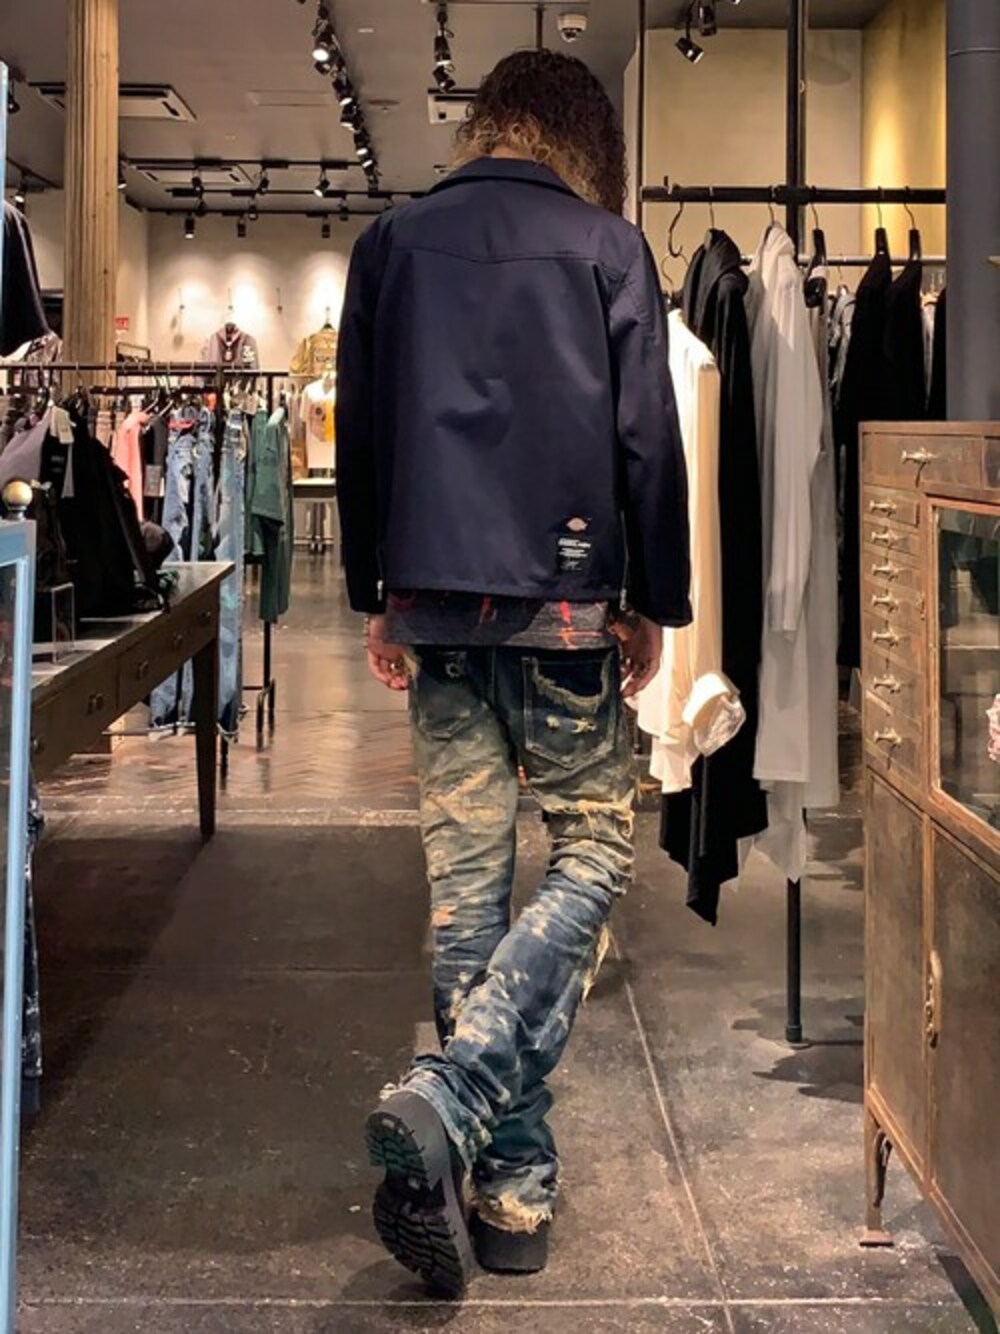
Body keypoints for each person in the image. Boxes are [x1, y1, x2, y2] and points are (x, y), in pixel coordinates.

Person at [336, 48, 691, 1297]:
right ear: (578, 141)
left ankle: (502, 1173)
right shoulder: (607, 250)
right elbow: (647, 441)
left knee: (467, 896)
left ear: (484, 125)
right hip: (566, 611)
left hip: (436, 607)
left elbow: (363, 428)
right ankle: (482, 1133)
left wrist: (373, 593)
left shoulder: (389, 246)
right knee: (593, 852)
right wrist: (657, 599)